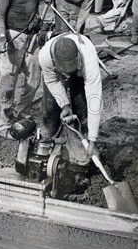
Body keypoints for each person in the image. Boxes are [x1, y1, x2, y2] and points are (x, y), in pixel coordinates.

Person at [0, 0, 42, 138]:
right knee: (7, 83)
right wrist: (2, 37)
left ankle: (21, 115)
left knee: (33, 80)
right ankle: (1, 124)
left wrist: (36, 20)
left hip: (31, 38)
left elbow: (36, 8)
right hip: (11, 36)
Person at [38, 34, 102, 178]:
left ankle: (81, 155)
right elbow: (52, 82)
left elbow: (94, 99)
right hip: (54, 76)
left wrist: (93, 139)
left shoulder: (88, 56)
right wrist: (64, 104)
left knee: (81, 110)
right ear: (55, 62)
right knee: (49, 109)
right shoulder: (44, 56)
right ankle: (45, 145)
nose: (67, 74)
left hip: (81, 72)